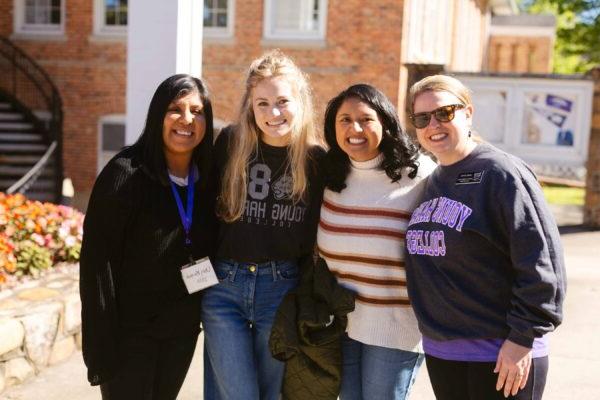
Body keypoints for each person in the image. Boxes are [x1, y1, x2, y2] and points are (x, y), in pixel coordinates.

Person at [404, 74, 566, 400]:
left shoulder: (501, 173)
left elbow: (541, 261)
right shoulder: (433, 181)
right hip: (445, 351)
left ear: (468, 113)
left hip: (501, 351)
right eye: (422, 118)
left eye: (444, 113)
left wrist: (523, 338)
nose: (433, 124)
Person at [80, 74, 216, 400]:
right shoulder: (125, 174)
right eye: (175, 109)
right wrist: (100, 347)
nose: (187, 120)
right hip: (129, 335)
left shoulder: (210, 179)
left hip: (180, 333)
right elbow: (98, 265)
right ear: (157, 115)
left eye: (197, 111)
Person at [201, 50, 324, 400]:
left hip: (281, 288)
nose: (273, 113)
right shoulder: (229, 143)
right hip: (224, 285)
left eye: (283, 101)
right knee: (237, 393)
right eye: (263, 103)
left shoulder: (317, 161)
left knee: (272, 394)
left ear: (299, 101)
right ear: (250, 106)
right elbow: (202, 212)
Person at [317, 83, 436, 400]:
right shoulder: (329, 176)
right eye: (344, 119)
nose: (354, 129)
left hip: (396, 327)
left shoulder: (419, 175)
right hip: (340, 323)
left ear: (385, 122)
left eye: (365, 119)